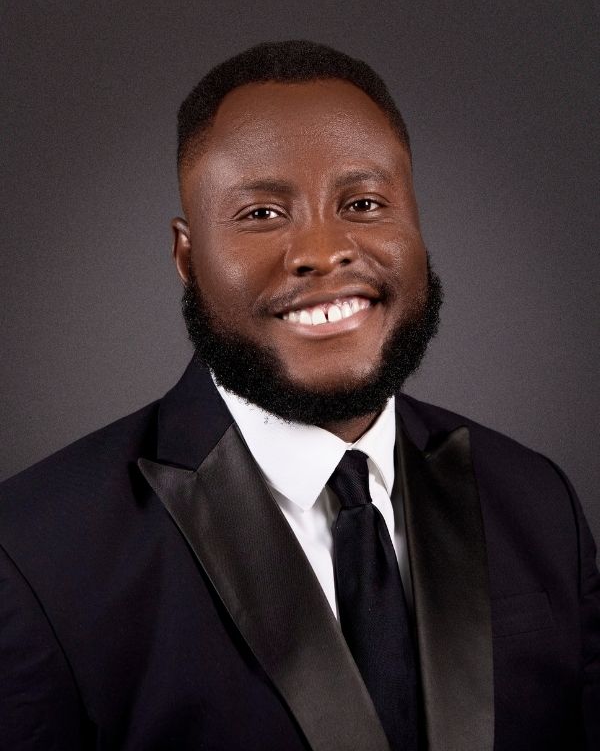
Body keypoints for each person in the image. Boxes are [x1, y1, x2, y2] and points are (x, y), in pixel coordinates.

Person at [1, 41, 598, 751]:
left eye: (365, 202)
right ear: (187, 258)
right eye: (261, 214)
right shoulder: (34, 553)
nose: (322, 248)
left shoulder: (535, 499)